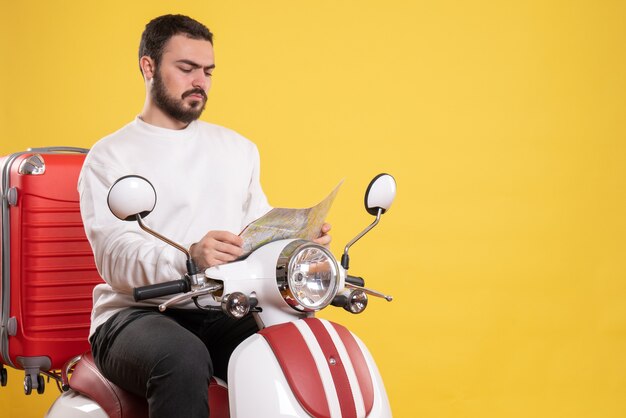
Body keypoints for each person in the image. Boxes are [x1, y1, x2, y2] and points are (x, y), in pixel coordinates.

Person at [78, 14, 331, 418]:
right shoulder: (110, 156)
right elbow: (114, 257)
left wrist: (296, 244)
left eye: (208, 71)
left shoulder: (238, 149)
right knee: (182, 357)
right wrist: (190, 257)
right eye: (186, 68)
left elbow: (255, 232)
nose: (200, 81)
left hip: (220, 307)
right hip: (133, 315)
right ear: (148, 66)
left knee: (295, 344)